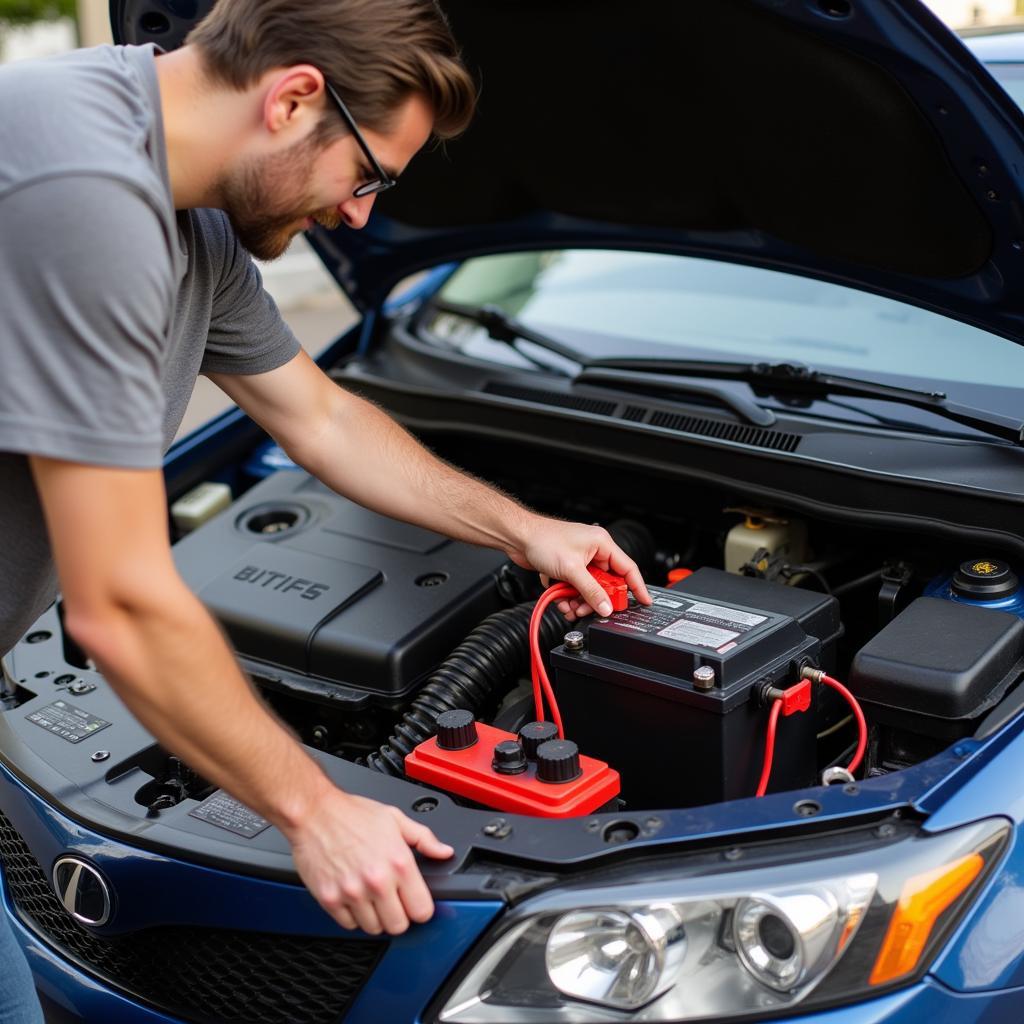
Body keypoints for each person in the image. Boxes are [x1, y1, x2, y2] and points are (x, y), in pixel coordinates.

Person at [0, 0, 652, 1017]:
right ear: (294, 96)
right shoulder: (87, 195)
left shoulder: (184, 195)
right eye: (371, 175)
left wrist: (526, 531)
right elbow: (119, 604)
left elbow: (319, 417)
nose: (362, 216)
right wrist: (317, 812)